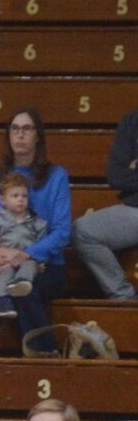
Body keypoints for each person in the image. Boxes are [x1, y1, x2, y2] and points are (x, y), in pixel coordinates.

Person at [0, 109, 74, 352]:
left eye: (27, 129)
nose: (20, 135)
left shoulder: (56, 176)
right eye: (15, 129)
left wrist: (26, 254)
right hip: (3, 263)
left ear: (38, 136)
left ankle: (44, 361)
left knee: (25, 292)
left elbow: (62, 231)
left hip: (46, 265)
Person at [73, 106, 138, 302]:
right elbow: (116, 175)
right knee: (83, 230)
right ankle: (124, 298)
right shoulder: (131, 122)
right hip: (135, 209)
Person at [0, 173, 51, 301]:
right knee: (4, 272)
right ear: (2, 200)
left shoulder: (38, 223)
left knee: (30, 265)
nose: (21, 199)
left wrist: (40, 263)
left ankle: (21, 283)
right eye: (15, 196)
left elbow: (41, 246)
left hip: (27, 262)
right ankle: (3, 302)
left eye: (24, 196)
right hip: (5, 262)